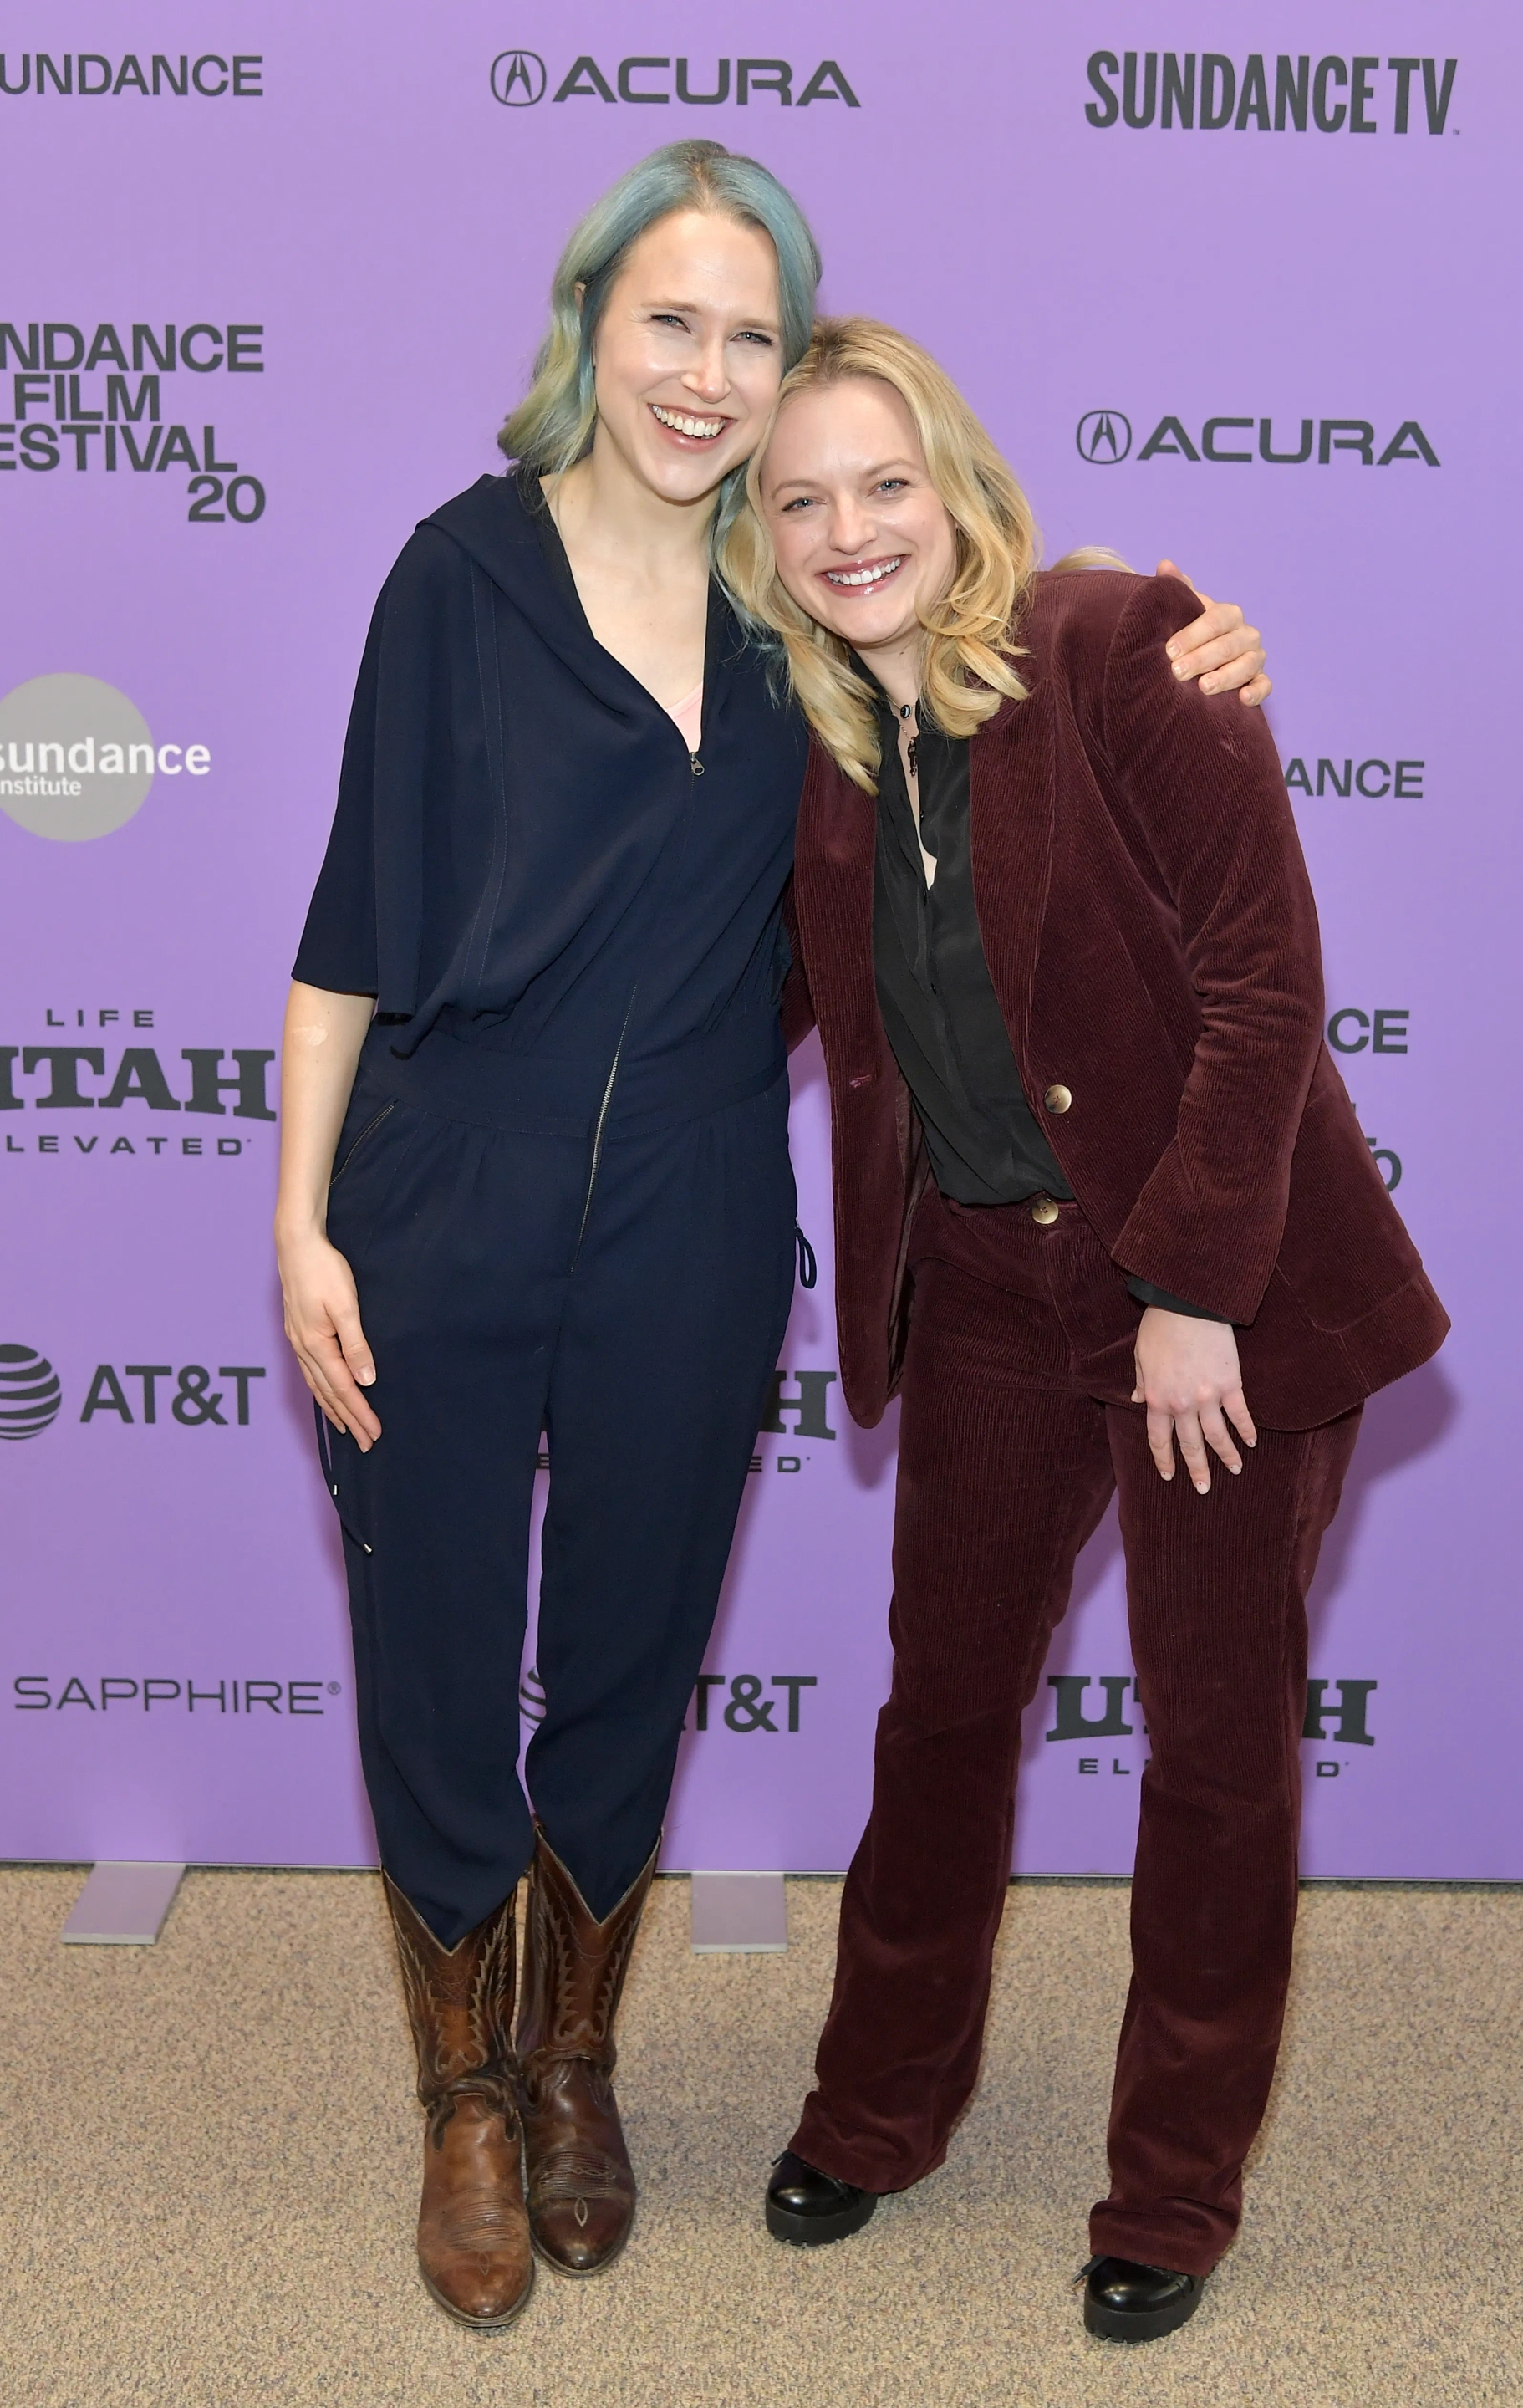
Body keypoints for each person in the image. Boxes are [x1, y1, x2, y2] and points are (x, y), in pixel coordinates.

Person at [274, 143, 1275, 2330]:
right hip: (439, 1200)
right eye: (671, 320)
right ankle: (464, 2089)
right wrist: (296, 1220)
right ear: (592, 326)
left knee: (633, 1651)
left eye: (749, 331)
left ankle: (577, 2059)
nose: (706, 372)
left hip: (701, 1221)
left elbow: (994, 631)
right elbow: (351, 927)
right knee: (440, 1656)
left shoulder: (793, 603)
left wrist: (1153, 605)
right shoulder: (458, 577)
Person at [722, 319, 1449, 2342]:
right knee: (939, 1713)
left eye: (884, 482)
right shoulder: (824, 759)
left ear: (953, 482)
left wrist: (1197, 1289)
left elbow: (1263, 982)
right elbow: (764, 1010)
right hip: (978, 1294)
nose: (849, 530)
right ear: (761, 546)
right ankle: (876, 2110)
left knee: (1214, 1751)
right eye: (800, 501)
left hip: (1212, 1301)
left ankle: (1175, 2189)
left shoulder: (1122, 648)